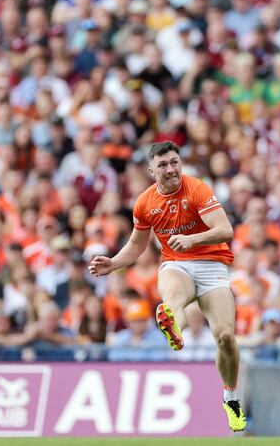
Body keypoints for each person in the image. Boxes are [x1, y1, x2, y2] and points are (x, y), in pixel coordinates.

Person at [88, 141, 245, 432]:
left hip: (212, 264)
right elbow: (136, 246)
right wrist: (113, 263)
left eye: (174, 162)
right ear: (151, 170)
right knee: (172, 298)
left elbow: (225, 230)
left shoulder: (197, 189)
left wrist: (193, 240)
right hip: (177, 264)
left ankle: (231, 398)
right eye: (163, 165)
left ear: (180, 163)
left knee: (225, 337)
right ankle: (173, 325)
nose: (170, 169)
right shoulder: (145, 203)